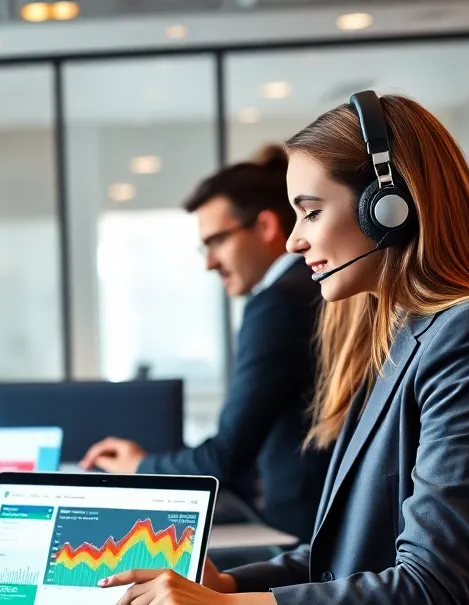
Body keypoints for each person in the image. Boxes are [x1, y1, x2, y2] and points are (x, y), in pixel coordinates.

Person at [40, 92, 469, 605]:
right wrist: (229, 586)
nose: (294, 242)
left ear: (390, 208)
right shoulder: (406, 337)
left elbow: (425, 593)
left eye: (311, 212)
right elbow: (352, 550)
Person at [80, 147, 330, 542]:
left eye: (217, 241)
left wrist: (140, 466)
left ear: (265, 227)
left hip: (299, 535)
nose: (208, 262)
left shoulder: (278, 302)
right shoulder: (308, 289)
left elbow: (226, 457)